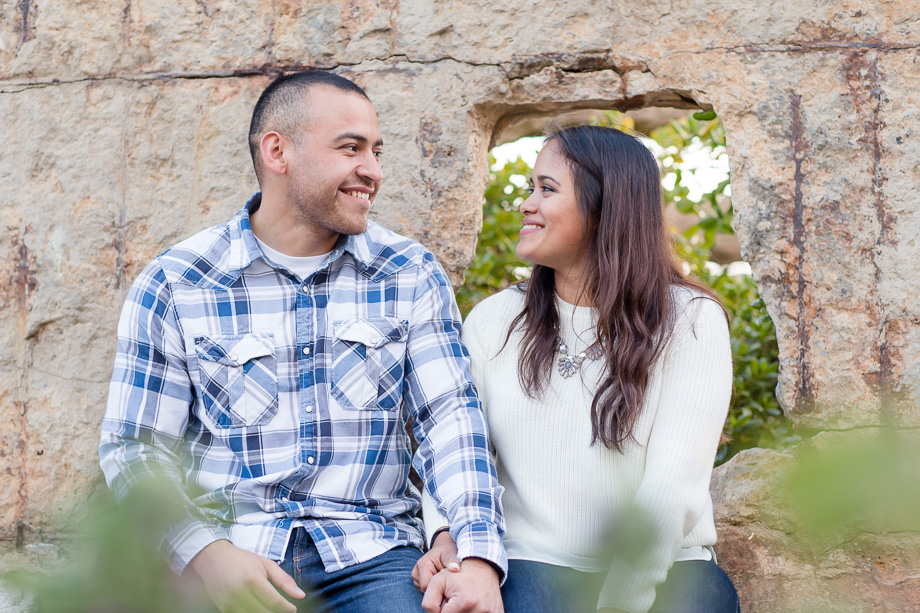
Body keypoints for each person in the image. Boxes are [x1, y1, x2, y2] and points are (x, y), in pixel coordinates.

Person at [100, 70, 507, 613]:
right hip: (225, 548)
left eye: (376, 151)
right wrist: (206, 552)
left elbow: (451, 422)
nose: (373, 170)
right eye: (350, 148)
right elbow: (135, 445)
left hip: (371, 554)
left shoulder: (408, 273)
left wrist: (477, 555)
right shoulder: (177, 281)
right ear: (278, 151)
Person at [414, 124, 740, 613]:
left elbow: (670, 490)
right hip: (528, 570)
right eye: (530, 188)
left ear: (605, 206)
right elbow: (454, 448)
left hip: (668, 573)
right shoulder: (494, 321)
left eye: (546, 189)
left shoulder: (691, 320)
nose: (526, 203)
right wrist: (444, 534)